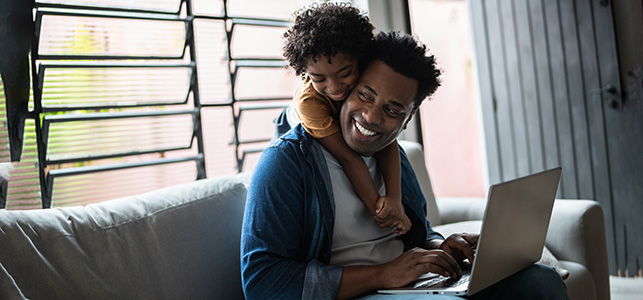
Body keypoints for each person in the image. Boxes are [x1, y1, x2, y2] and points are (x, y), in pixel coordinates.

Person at [241, 31, 569, 300]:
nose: (371, 118)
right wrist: (382, 274)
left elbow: (418, 233)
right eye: (365, 96)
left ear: (408, 119)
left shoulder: (391, 153)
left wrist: (440, 247)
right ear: (345, 90)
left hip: (411, 286)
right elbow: (262, 281)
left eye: (393, 110)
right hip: (356, 293)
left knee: (542, 282)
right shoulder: (287, 161)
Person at [282, 2, 410, 233]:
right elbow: (348, 158)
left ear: (359, 60)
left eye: (345, 73)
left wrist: (395, 197)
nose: (334, 87)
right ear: (305, 72)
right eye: (318, 78)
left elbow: (387, 142)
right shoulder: (309, 102)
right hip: (298, 121)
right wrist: (384, 212)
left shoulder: (365, 82)